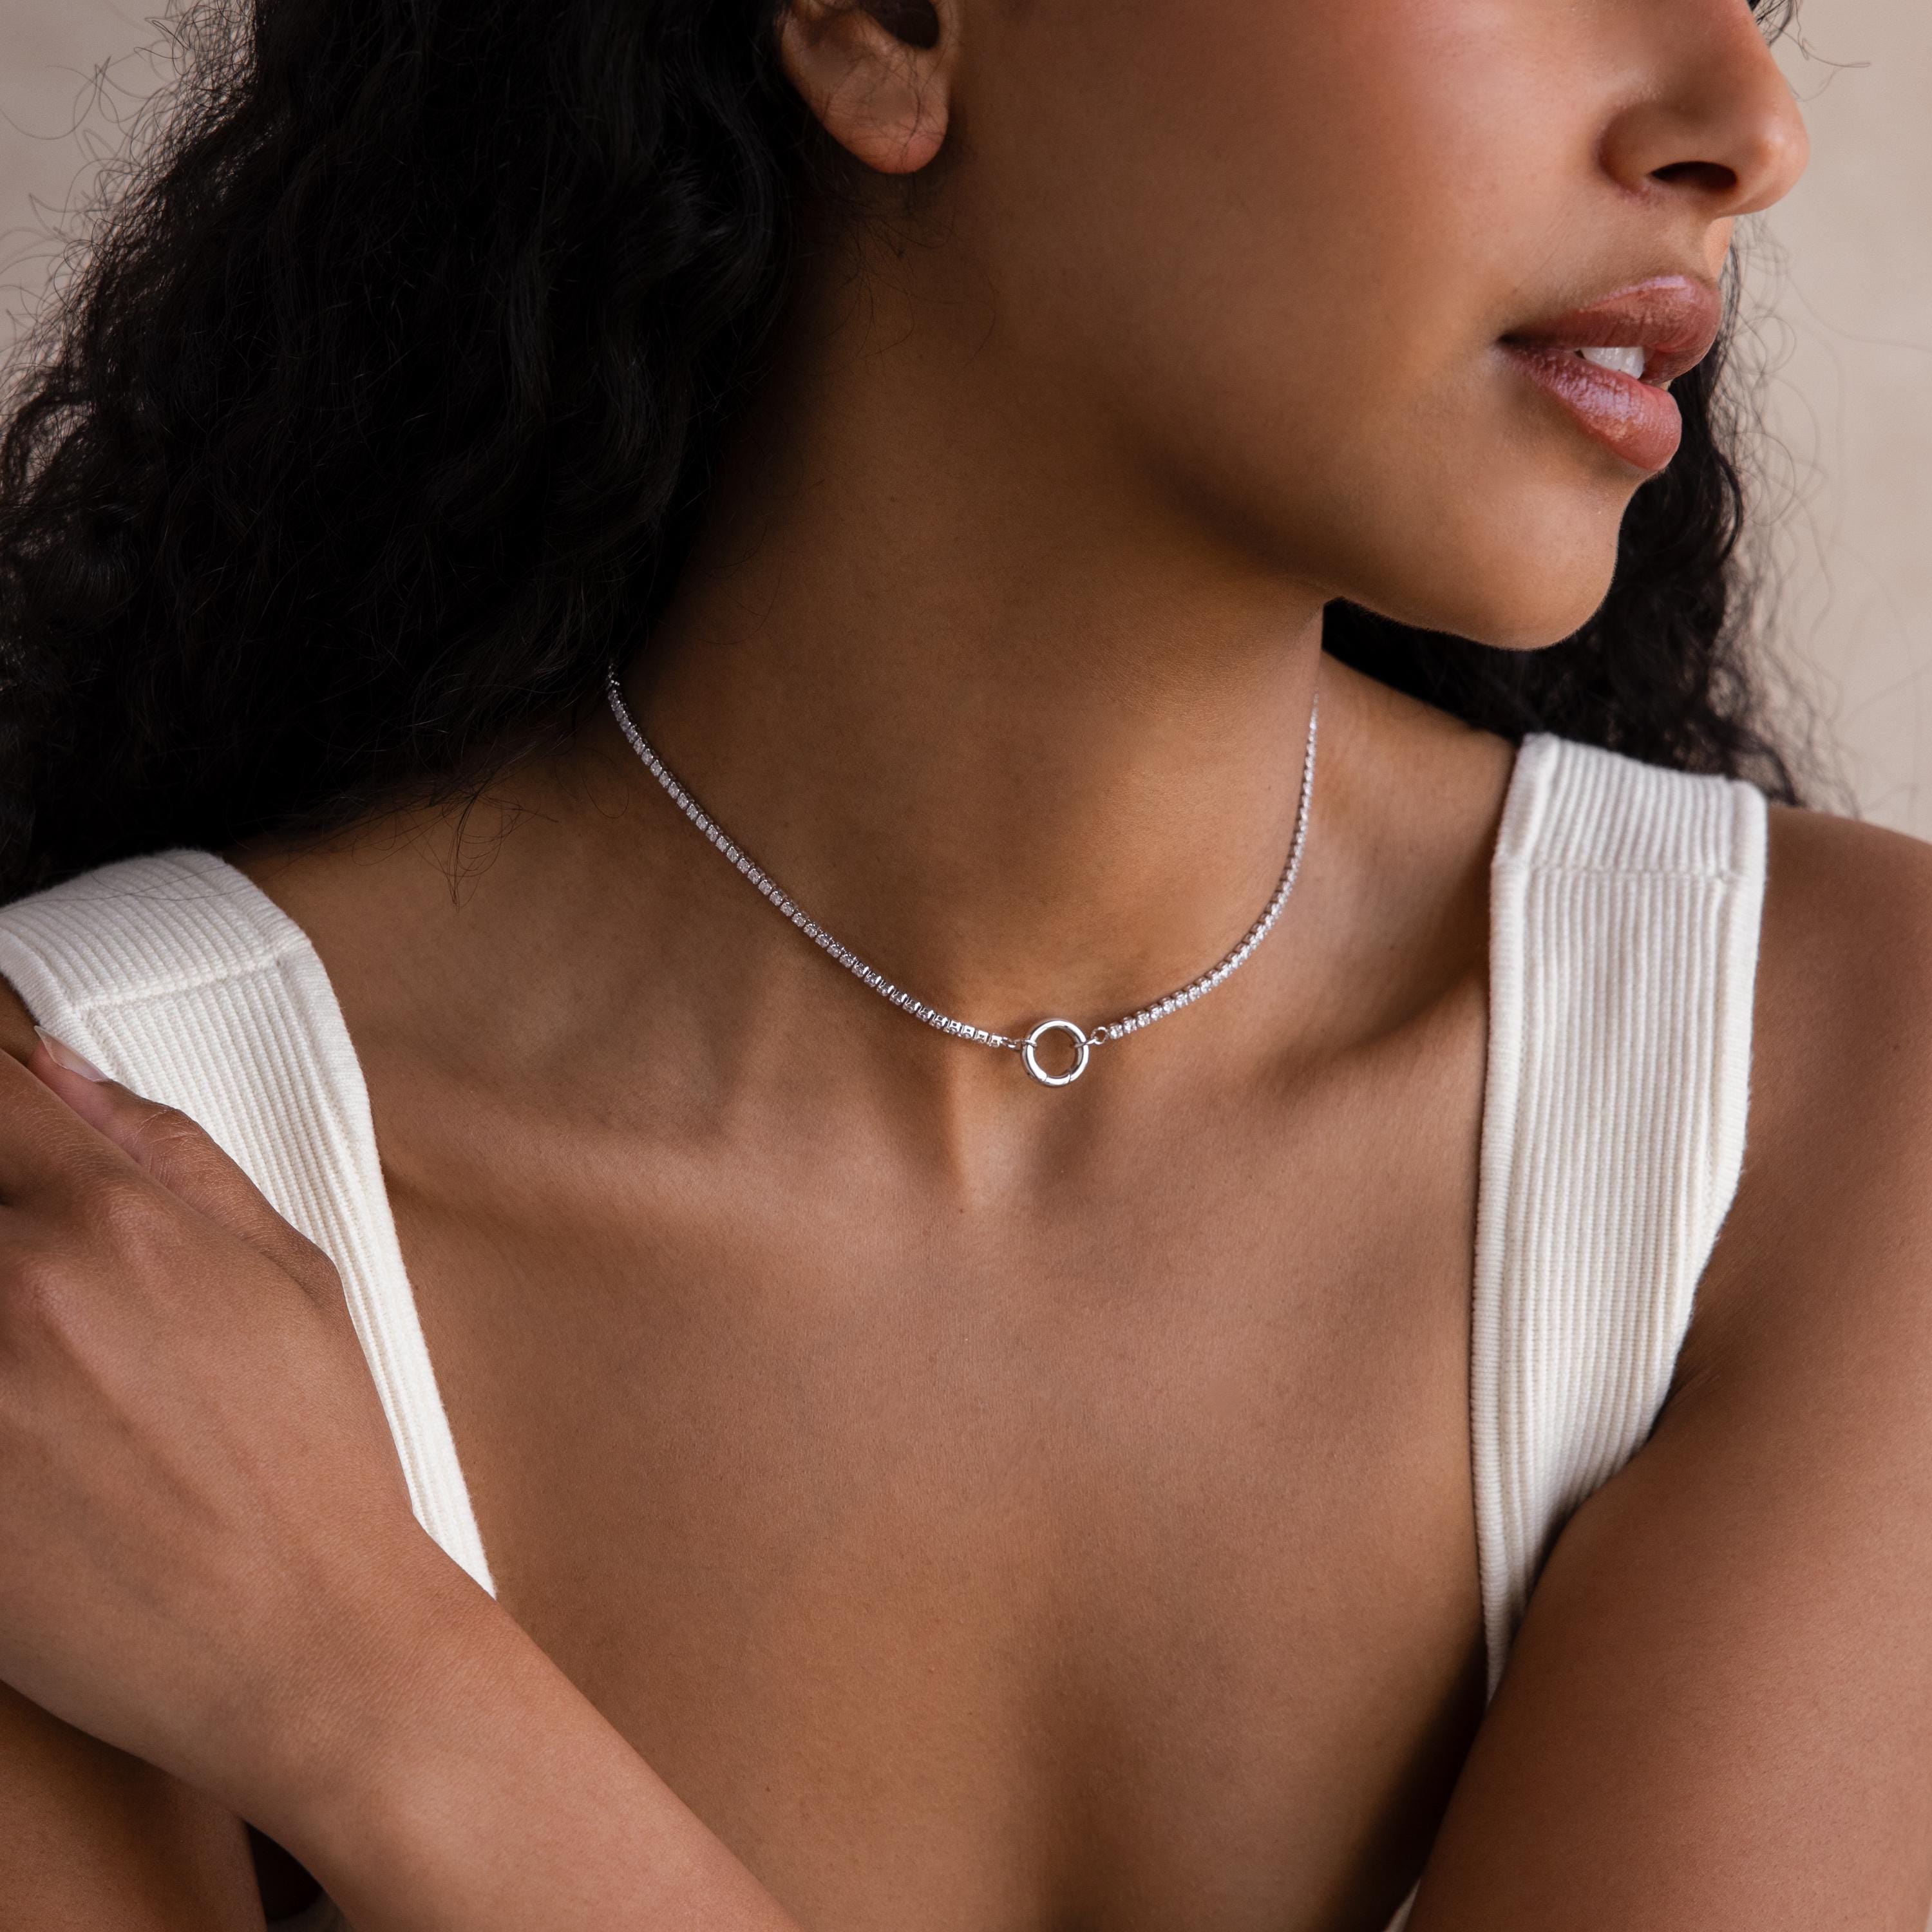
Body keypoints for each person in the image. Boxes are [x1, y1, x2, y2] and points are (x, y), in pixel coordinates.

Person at [1, 0, 1929, 1926]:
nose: (1747, 124)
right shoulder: (85, 1227)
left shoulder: (1841, 1095)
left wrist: (383, 1702)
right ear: (890, 26)